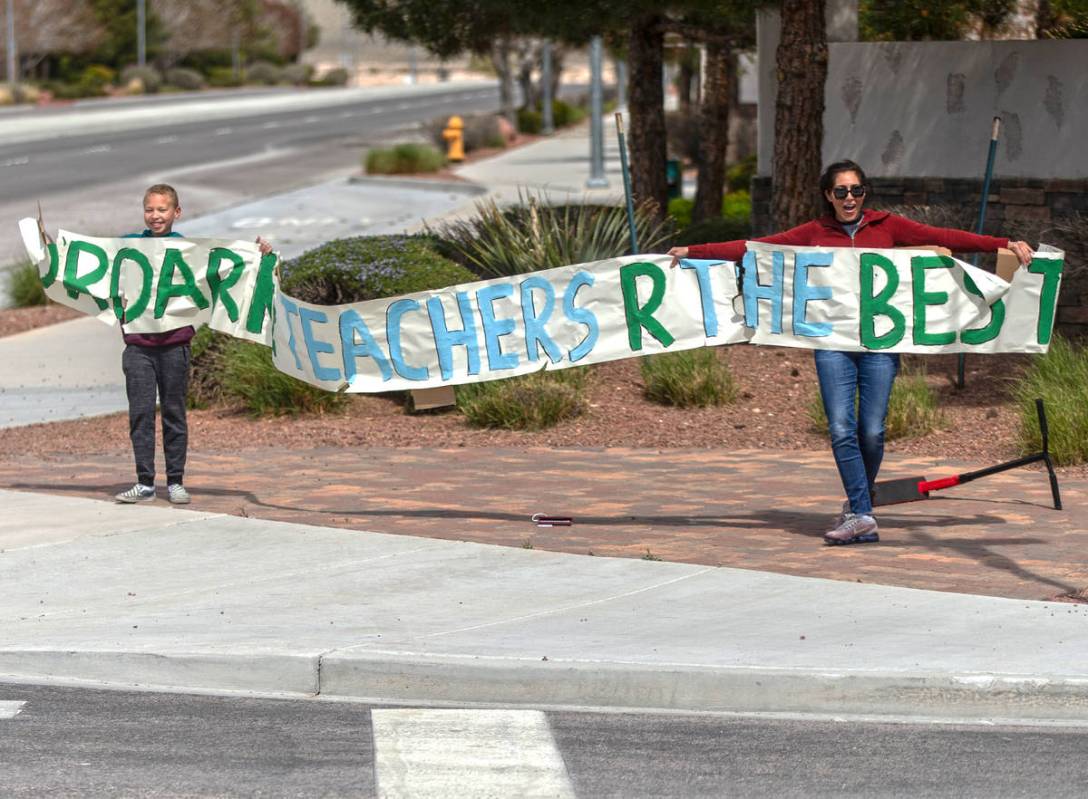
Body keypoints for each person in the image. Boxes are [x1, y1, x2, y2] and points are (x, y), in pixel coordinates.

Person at [667, 160, 1035, 546]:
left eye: (856, 191)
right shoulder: (814, 233)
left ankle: (859, 506)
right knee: (842, 428)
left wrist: (1002, 244)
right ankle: (861, 512)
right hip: (833, 345)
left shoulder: (887, 226)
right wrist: (697, 250)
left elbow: (942, 235)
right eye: (841, 191)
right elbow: (755, 249)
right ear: (829, 195)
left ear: (864, 193)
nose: (849, 198)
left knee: (872, 432)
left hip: (880, 345)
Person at [115, 184, 272, 505]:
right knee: (140, 414)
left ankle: (175, 481)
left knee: (174, 412)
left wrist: (258, 254)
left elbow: (223, 270)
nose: (155, 215)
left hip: (175, 346)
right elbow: (92, 270)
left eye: (162, 210)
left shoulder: (188, 249)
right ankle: (144, 482)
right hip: (138, 348)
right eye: (149, 209)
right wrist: (53, 254)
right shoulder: (129, 247)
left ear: (177, 212)